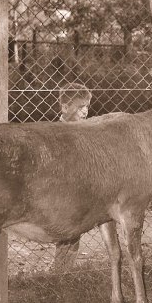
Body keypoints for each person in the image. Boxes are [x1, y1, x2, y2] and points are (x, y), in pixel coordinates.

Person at [51, 82, 91, 271]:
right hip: (60, 191)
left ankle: (62, 270)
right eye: (80, 107)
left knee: (74, 231)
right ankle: (60, 271)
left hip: (79, 191)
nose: (85, 112)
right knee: (68, 231)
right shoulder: (56, 132)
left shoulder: (85, 131)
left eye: (87, 107)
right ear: (65, 107)